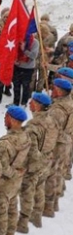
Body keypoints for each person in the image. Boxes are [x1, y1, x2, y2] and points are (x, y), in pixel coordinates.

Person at [0, 106, 31, 235]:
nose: (4, 119)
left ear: (13, 120)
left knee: (0, 213)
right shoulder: (25, 136)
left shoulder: (4, 143)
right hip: (16, 181)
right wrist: (19, 173)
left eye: (6, 116)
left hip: (3, 183)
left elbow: (2, 167)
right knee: (13, 208)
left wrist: (13, 173)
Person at [18, 92, 58, 231]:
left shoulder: (33, 125)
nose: (29, 104)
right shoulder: (51, 120)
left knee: (27, 191)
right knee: (39, 188)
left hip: (34, 164)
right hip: (47, 159)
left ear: (38, 105)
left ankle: (23, 222)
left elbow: (31, 150)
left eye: (32, 102)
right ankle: (37, 216)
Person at [44, 79, 73, 218]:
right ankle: (54, 202)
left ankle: (48, 206)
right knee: (59, 172)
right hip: (67, 141)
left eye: (55, 88)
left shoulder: (58, 110)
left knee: (51, 174)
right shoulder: (70, 104)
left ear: (60, 90)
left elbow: (51, 129)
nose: (52, 89)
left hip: (57, 144)